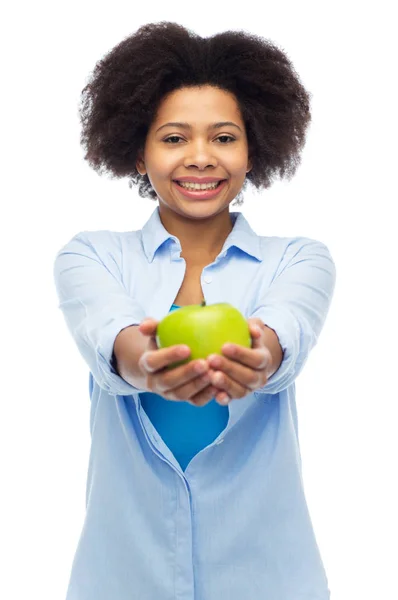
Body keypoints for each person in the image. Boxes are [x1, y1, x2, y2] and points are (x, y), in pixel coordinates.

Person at [53, 21, 336, 600]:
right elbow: (113, 336)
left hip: (270, 580)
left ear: (254, 148)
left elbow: (286, 330)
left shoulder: (300, 259)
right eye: (175, 138)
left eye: (224, 137)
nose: (201, 158)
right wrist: (148, 364)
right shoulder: (91, 255)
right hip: (122, 578)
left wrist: (259, 359)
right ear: (138, 152)